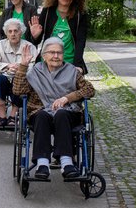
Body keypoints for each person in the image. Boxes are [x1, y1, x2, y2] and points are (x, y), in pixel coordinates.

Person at [13, 37, 95, 180]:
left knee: (61, 114)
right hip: (41, 112)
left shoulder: (72, 71)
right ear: (44, 55)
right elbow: (18, 91)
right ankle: (42, 163)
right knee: (42, 116)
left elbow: (89, 90)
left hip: (69, 114)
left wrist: (67, 98)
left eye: (59, 53)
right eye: (51, 52)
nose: (56, 56)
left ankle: (66, 162)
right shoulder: (35, 71)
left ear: (63, 55)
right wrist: (23, 66)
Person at [30, 0, 89, 73]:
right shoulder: (48, 11)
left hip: (69, 62)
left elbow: (80, 41)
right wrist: (35, 36)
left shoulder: (80, 15)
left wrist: (77, 65)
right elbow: (37, 40)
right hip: (47, 62)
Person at [0, 18, 37, 127]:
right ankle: (2, 115)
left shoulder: (29, 47)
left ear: (21, 32)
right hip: (3, 78)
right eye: (10, 31)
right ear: (6, 33)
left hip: (20, 81)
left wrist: (21, 68)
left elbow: (34, 67)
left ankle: (13, 115)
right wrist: (7, 66)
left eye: (16, 31)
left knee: (18, 80)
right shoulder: (0, 45)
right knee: (0, 79)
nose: (13, 34)